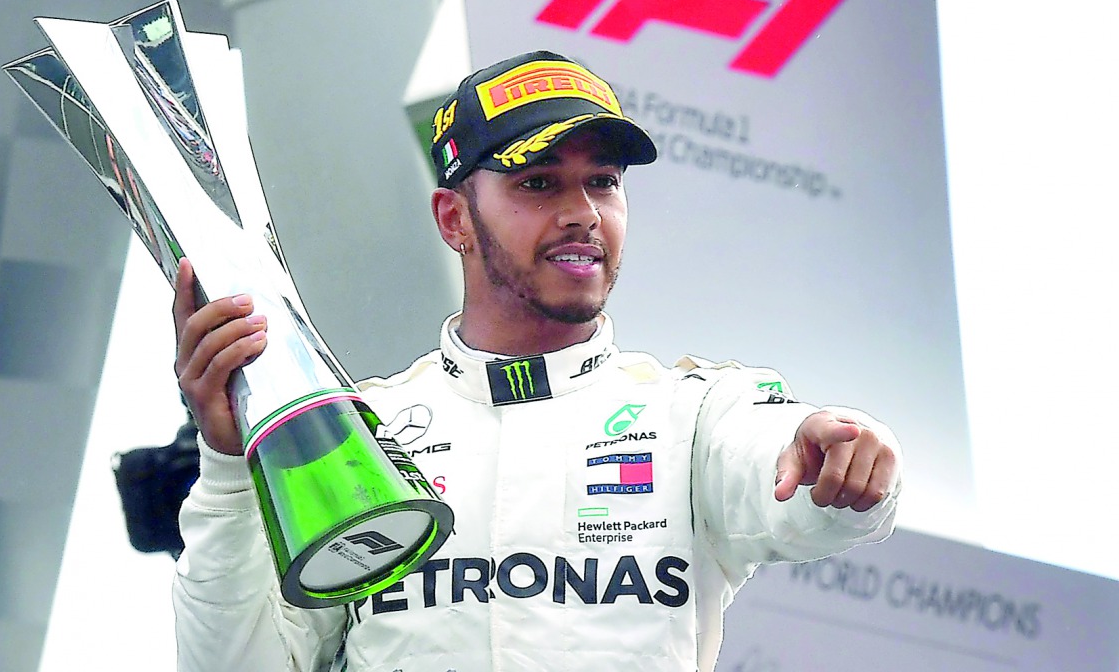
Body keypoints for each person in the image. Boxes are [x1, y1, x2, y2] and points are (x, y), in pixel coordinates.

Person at [170, 50, 902, 672]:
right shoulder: (363, 431)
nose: (583, 210)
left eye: (604, 181)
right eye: (539, 182)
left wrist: (844, 457)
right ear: (454, 218)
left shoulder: (691, 414)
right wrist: (229, 469)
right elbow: (239, 661)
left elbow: (795, 490)